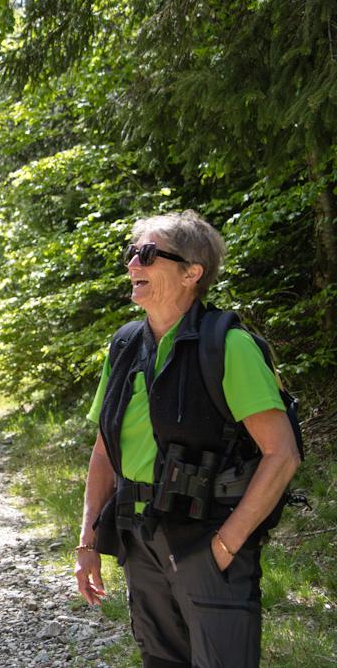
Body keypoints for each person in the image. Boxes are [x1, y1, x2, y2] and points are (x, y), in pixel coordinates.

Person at [75, 210, 301, 667]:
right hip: (139, 539)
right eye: (132, 253)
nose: (133, 264)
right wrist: (88, 543)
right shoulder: (124, 346)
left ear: (191, 273)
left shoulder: (228, 347)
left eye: (148, 254)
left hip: (208, 541)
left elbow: (282, 454)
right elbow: (105, 450)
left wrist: (225, 546)